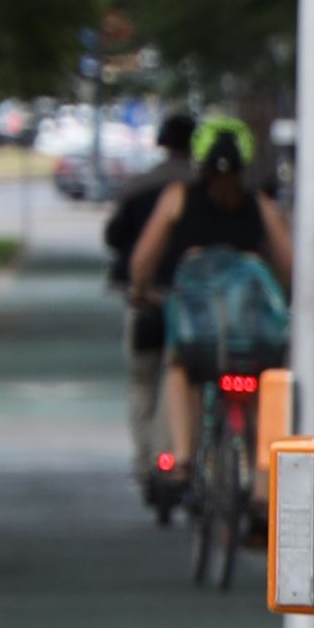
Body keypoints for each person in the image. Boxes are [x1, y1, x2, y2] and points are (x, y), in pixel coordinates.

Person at [125, 115, 293, 492]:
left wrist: (141, 291)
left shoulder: (178, 199)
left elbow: (142, 262)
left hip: (197, 335)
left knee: (179, 368)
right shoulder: (260, 206)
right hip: (251, 339)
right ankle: (262, 484)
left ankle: (182, 459)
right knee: (263, 387)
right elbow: (289, 267)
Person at [100, 111, 194, 510]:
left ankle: (145, 463)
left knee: (142, 382)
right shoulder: (200, 189)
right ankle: (169, 458)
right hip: (191, 305)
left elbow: (113, 236)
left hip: (144, 300)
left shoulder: (139, 185)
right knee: (183, 379)